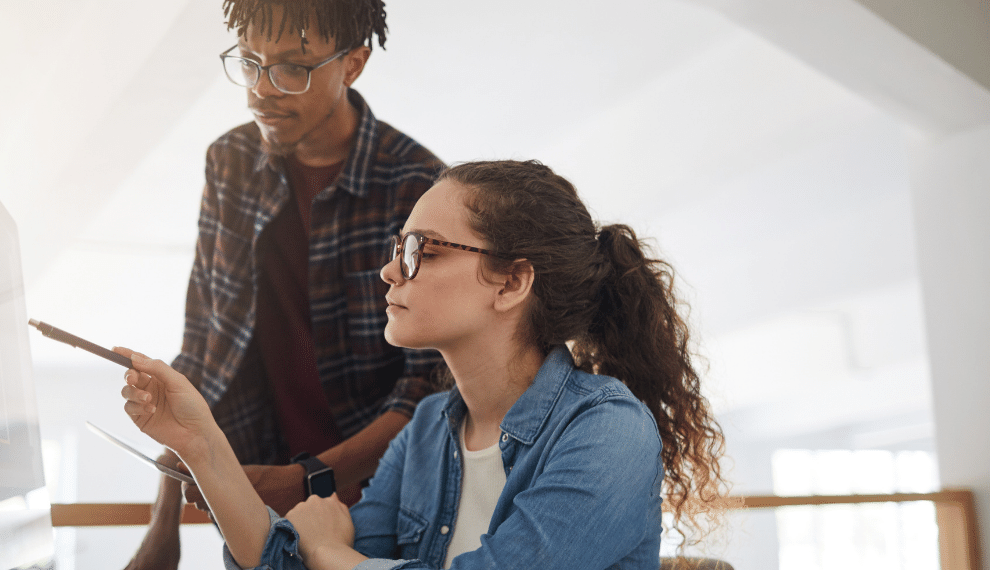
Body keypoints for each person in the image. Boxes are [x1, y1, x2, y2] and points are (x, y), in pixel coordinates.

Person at [117, 159, 728, 569]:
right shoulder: (429, 428)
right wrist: (201, 444)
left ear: (511, 282)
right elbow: (289, 564)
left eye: (421, 251)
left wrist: (332, 553)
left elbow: (327, 558)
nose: (390, 270)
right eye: (397, 248)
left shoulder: (607, 430)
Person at [122, 0, 446, 568]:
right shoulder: (230, 163)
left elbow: (430, 387)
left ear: (353, 65)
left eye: (293, 67)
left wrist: (307, 478)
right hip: (255, 487)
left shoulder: (419, 186)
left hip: (382, 502)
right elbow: (205, 347)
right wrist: (162, 520)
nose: (261, 91)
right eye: (250, 62)